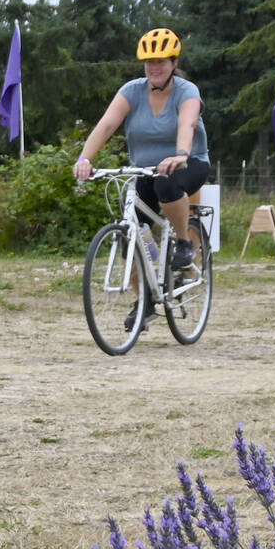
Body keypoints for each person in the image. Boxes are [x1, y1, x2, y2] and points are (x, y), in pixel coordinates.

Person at [72, 27, 210, 325]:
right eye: (149, 62)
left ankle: (184, 242)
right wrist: (85, 158)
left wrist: (181, 154)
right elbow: (106, 126)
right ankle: (145, 300)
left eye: (161, 61)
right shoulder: (131, 91)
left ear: (174, 63)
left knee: (166, 184)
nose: (154, 67)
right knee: (134, 235)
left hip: (189, 163)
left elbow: (187, 124)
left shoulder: (188, 92)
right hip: (144, 169)